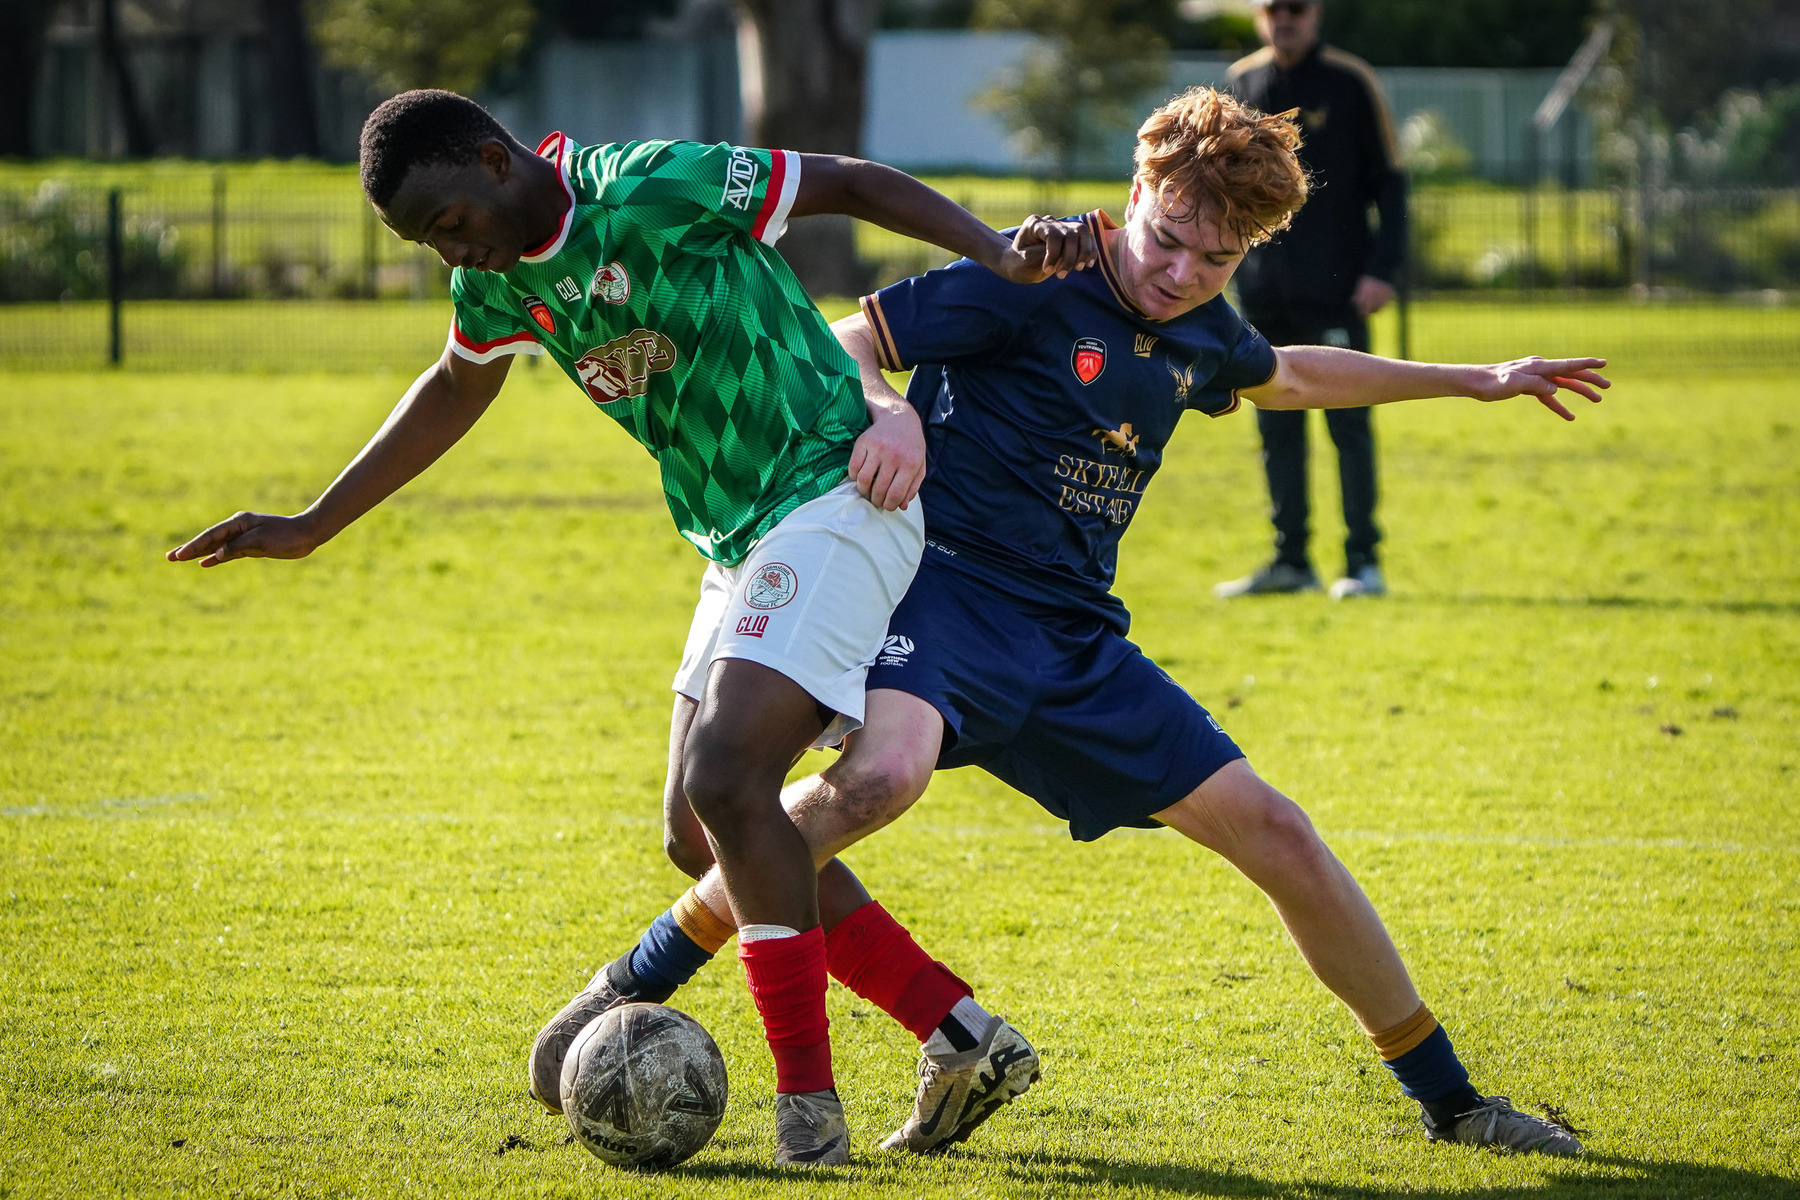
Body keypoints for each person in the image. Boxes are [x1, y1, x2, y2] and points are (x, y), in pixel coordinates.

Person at [555, 87, 1605, 1161]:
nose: (1182, 274)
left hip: (1072, 642)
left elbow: (1288, 374)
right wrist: (892, 411)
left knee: (1278, 832)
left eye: (1217, 260)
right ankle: (630, 985)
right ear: (1135, 192)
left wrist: (1478, 379)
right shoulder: (1026, 278)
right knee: (879, 780)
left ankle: (1453, 1101)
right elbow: (849, 338)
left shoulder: (1201, 325)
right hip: (942, 593)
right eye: (1169, 240)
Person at [163, 88, 1094, 1168]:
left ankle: (810, 1119)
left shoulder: (649, 186)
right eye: (427, 243)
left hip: (832, 490)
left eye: (450, 221)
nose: (451, 251)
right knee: (702, 832)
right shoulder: (496, 279)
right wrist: (314, 524)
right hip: (736, 536)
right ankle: (963, 1036)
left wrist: (997, 251)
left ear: (492, 159)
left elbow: (847, 180)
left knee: (726, 778)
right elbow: (456, 388)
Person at [1214, 0, 1409, 601]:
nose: (1285, 20)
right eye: (1273, 9)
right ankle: (1290, 560)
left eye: (1295, 8)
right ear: (1258, 16)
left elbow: (1392, 185)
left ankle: (1363, 561)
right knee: (1276, 427)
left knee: (1348, 426)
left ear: (1316, 13)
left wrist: (1381, 271)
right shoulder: (1241, 83)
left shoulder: (1352, 82)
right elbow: (1218, 189)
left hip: (1338, 291)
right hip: (1264, 293)